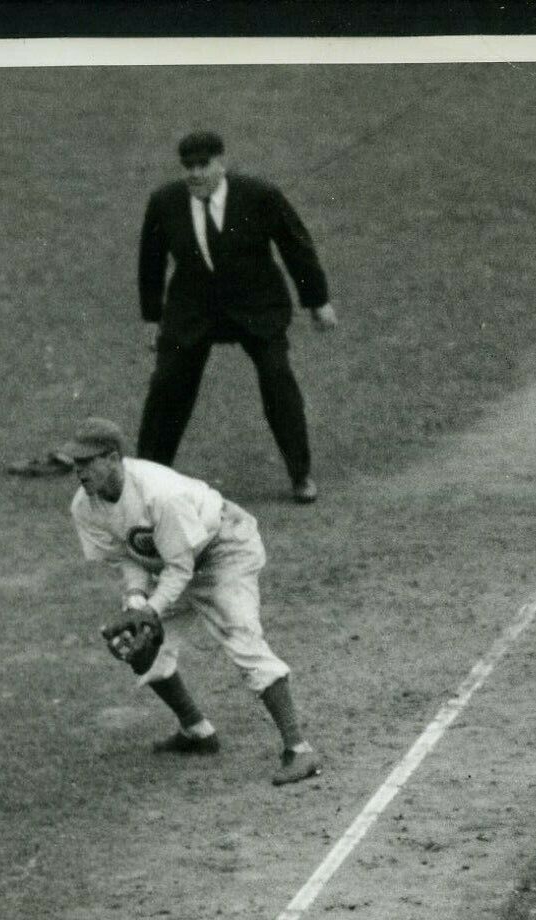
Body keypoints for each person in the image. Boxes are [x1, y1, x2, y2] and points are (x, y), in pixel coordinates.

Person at [62, 417, 322, 786]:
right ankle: (197, 731)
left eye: (87, 462)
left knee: (242, 640)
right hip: (172, 564)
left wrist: (150, 610)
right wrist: (136, 602)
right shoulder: (85, 507)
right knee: (140, 646)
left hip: (223, 550)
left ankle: (300, 749)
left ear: (113, 457)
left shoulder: (158, 494)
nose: (79, 471)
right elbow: (125, 556)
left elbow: (181, 568)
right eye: (75, 463)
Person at [136, 130, 338, 504]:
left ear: (220, 163)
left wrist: (317, 301)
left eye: (203, 165)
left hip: (256, 306)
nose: (196, 174)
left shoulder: (259, 195)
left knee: (277, 376)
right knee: (168, 382)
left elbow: (295, 245)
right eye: (188, 167)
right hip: (193, 310)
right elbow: (151, 261)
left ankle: (301, 474)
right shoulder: (165, 203)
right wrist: (153, 318)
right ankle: (148, 478)